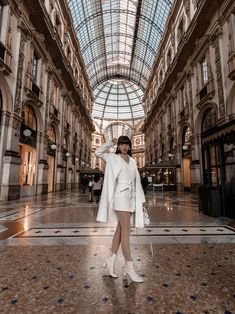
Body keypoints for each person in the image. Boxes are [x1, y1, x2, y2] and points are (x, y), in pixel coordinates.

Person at [95, 136, 148, 283]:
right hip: (120, 197)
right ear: (118, 146)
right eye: (121, 144)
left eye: (126, 144)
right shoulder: (113, 158)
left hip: (131, 198)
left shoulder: (132, 161)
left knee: (120, 230)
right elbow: (98, 152)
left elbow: (136, 181)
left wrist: (141, 200)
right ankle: (129, 267)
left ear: (129, 147)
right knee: (126, 230)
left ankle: (111, 259)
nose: (124, 147)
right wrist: (109, 143)